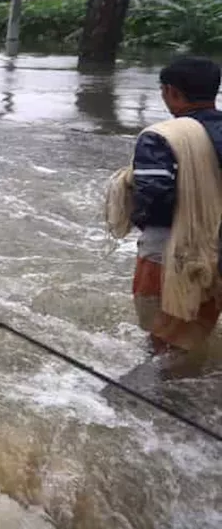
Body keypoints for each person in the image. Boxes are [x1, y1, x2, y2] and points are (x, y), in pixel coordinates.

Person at [107, 56, 222, 376]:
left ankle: (161, 400)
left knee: (163, 336)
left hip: (172, 251)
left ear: (171, 92)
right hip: (218, 251)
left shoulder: (161, 137)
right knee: (196, 330)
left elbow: (155, 197)